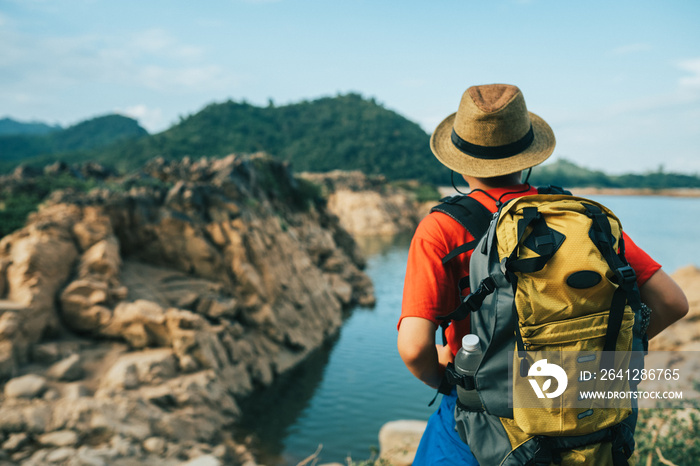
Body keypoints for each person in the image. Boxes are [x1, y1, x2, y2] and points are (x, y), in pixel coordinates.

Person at [397, 83, 689, 465]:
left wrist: (457, 380)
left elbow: (415, 348)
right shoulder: (578, 219)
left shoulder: (440, 229)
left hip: (480, 420)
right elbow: (672, 302)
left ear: (457, 160)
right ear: (527, 155)